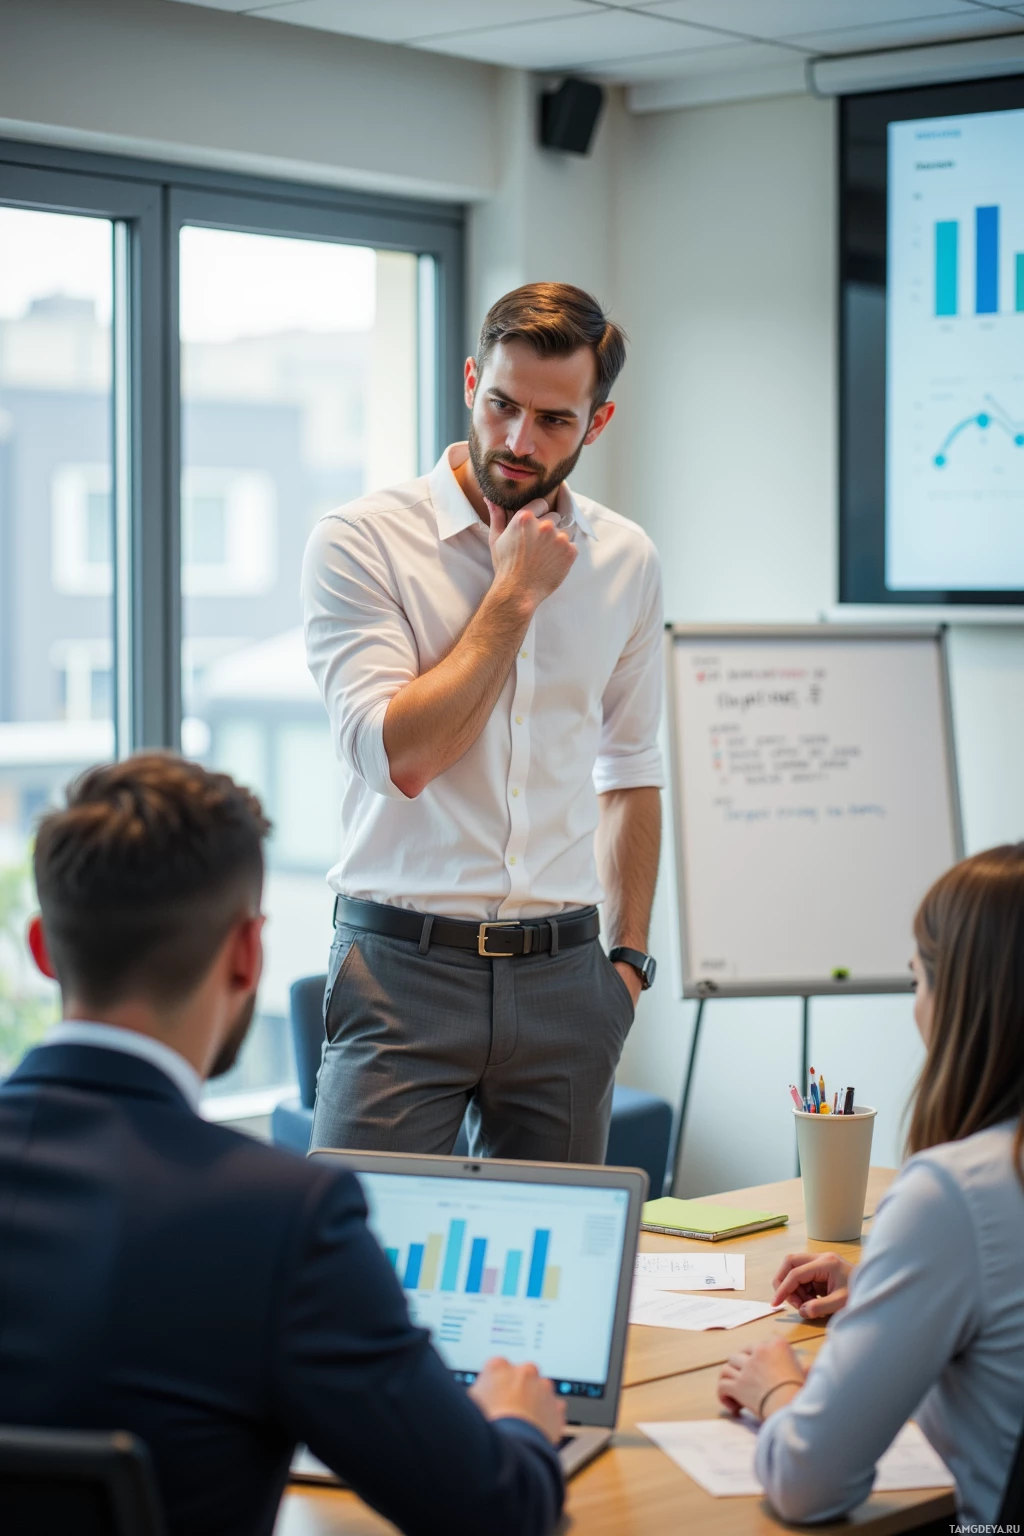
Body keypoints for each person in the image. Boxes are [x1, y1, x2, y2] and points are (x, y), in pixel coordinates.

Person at [0, 753, 565, 1536]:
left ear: (41, 949)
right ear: (247, 952)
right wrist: (518, 1424)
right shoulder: (280, 1217)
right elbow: (497, 1512)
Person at [302, 281, 663, 1162]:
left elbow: (631, 769)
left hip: (568, 980)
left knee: (557, 1282)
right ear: (471, 379)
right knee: (357, 1262)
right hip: (401, 972)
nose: (517, 440)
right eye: (502, 404)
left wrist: (627, 968)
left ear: (597, 423)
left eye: (553, 420)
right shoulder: (362, 541)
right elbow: (402, 758)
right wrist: (514, 593)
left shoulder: (625, 558)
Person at [717, 844, 1024, 1525]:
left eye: (918, 982)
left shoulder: (955, 1193)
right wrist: (889, 1286)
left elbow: (808, 1483)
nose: (916, 1009)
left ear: (964, 1000)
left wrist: (777, 1390)